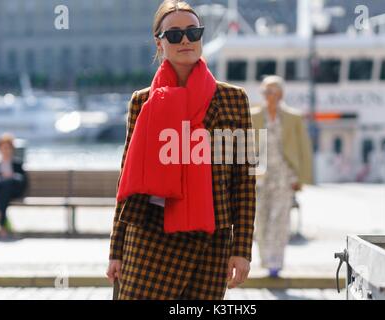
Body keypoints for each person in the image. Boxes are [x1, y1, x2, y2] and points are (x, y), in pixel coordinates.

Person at [106, 0, 256, 300]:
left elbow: (244, 181)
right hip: (149, 241)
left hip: (210, 244)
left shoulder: (235, 99)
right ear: (159, 42)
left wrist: (242, 250)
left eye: (193, 32)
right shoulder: (142, 102)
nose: (185, 40)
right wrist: (116, 251)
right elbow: (128, 182)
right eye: (174, 34)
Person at [251, 75, 313, 278]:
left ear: (281, 94)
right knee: (260, 219)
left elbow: (303, 147)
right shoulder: (254, 116)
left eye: (272, 92)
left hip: (285, 176)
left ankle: (275, 263)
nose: (268, 96)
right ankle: (265, 259)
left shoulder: (293, 117)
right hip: (260, 178)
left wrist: (301, 179)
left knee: (280, 219)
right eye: (266, 92)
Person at [0, 133, 28, 238]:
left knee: (6, 185)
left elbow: (23, 180)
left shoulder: (17, 164)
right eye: (3, 148)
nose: (5, 150)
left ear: (12, 149)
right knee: (2, 187)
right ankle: (0, 224)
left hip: (13, 190)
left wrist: (11, 176)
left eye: (8, 148)